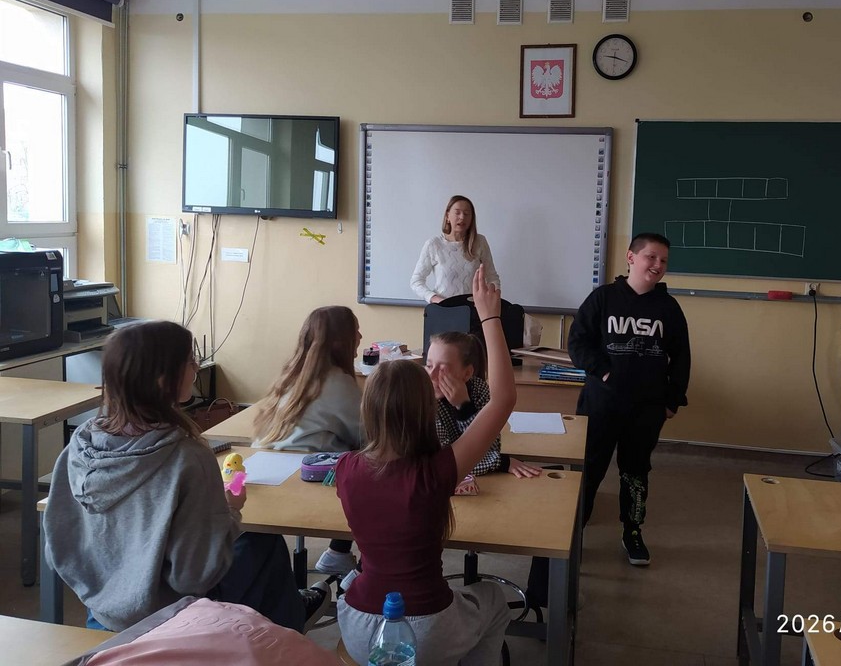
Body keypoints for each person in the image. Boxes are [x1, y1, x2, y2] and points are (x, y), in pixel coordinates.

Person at [44, 320, 330, 632]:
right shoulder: (188, 457)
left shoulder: (78, 447)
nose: (196, 368)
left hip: (101, 608)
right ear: (163, 379)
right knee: (263, 541)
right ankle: (284, 631)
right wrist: (231, 510)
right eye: (190, 361)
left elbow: (58, 545)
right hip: (170, 616)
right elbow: (194, 577)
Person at [335, 266, 516, 666]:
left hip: (357, 624)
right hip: (424, 628)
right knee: (491, 598)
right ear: (424, 409)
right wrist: (490, 317)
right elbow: (504, 400)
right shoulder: (436, 472)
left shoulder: (346, 467)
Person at [568, 232, 691, 566]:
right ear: (631, 257)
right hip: (600, 405)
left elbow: (681, 357)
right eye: (651, 257)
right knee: (589, 468)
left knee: (635, 472)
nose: (657, 265)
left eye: (663, 260)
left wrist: (672, 400)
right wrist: (604, 371)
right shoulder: (603, 298)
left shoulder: (668, 307)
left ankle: (632, 532)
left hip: (646, 408)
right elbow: (577, 343)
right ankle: (574, 530)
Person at [252, 305, 364, 577]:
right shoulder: (337, 382)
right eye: (355, 332)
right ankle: (343, 555)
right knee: (374, 465)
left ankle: (338, 553)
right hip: (303, 478)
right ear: (339, 341)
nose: (360, 337)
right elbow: (367, 435)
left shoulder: (292, 374)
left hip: (264, 468)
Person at [427, 330, 542, 478]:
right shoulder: (425, 403)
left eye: (443, 369)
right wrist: (501, 462)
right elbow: (448, 465)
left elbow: (490, 446)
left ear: (467, 373)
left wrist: (464, 407)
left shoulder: (479, 389)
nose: (432, 375)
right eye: (429, 366)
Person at [410, 194, 501, 303]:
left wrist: (491, 300)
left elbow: (492, 277)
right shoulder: (434, 244)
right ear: (447, 216)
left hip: (473, 308)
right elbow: (416, 281)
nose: (462, 217)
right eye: (457, 213)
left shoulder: (480, 242)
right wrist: (435, 299)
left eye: (466, 214)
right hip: (443, 309)